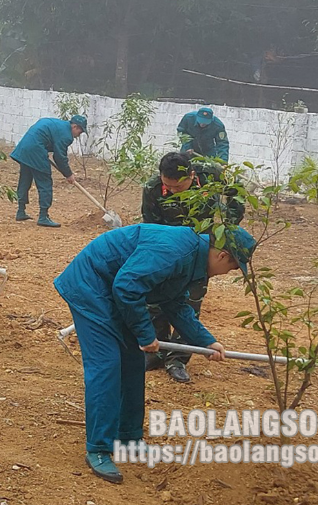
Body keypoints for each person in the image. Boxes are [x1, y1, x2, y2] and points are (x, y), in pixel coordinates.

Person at [54, 224, 256, 484]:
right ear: (222, 256)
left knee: (133, 363)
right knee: (107, 365)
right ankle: (99, 449)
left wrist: (207, 341)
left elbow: (174, 304)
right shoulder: (175, 251)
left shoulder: (192, 259)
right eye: (232, 267)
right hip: (91, 285)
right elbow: (127, 287)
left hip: (116, 289)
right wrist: (145, 333)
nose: (228, 273)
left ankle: (129, 438)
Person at [141, 152, 245, 382]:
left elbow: (238, 192)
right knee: (156, 299)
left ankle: (178, 358)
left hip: (201, 252)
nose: (174, 191)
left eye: (179, 186)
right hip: (167, 251)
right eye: (169, 187)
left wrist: (228, 226)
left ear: (192, 175)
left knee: (190, 300)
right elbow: (150, 225)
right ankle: (156, 351)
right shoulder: (152, 188)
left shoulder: (212, 174)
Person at [10, 115, 87, 228]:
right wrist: (68, 174)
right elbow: (60, 157)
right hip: (36, 149)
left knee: (25, 179)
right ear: (75, 127)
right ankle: (43, 217)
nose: (78, 135)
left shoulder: (58, 124)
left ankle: (21, 211)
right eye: (80, 132)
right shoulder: (66, 135)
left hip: (25, 148)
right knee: (45, 182)